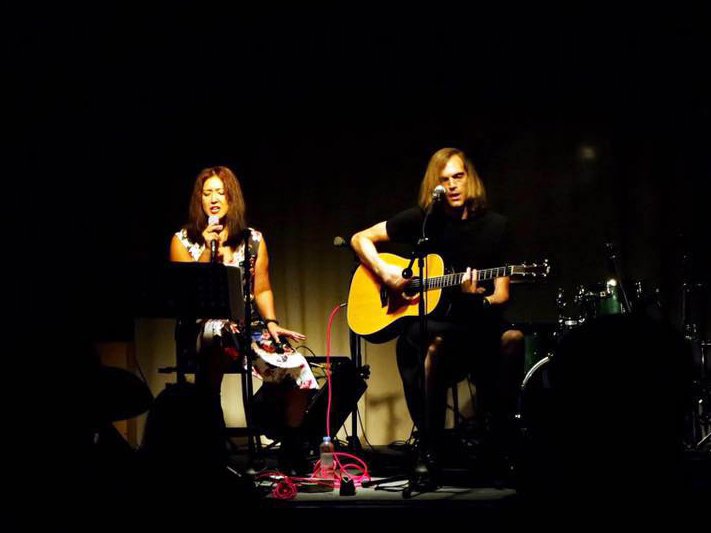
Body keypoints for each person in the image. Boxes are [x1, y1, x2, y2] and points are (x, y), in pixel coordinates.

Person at [350, 148, 524, 483]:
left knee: (513, 339)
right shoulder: (424, 221)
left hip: (479, 322)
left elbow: (502, 294)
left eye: (458, 176)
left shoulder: (496, 227)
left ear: (470, 178)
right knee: (431, 343)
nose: (453, 185)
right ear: (436, 185)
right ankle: (431, 447)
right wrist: (387, 275)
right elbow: (361, 239)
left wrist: (478, 299)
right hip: (437, 327)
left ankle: (499, 441)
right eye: (445, 180)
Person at [169, 166, 317, 472]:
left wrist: (272, 323)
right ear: (199, 200)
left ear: (231, 198)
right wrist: (207, 250)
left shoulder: (252, 240)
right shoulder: (183, 240)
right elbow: (186, 292)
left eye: (220, 193)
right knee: (217, 338)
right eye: (207, 193)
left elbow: (262, 289)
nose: (213, 199)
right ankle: (214, 440)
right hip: (202, 325)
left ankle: (292, 447)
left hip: (247, 327)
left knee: (298, 367)